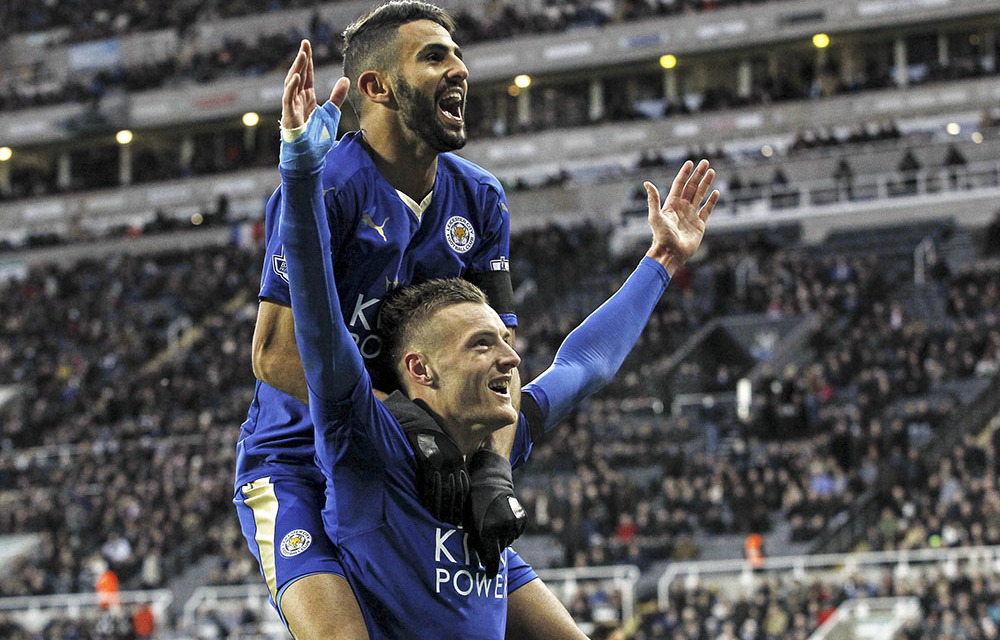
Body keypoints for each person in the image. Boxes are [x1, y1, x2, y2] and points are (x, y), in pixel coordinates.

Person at [278, 74, 718, 638]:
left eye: (504, 342)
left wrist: (661, 261)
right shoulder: (365, 442)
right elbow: (314, 315)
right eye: (482, 346)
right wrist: (300, 176)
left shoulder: (492, 445)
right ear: (419, 369)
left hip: (480, 552)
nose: (509, 360)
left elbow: (585, 366)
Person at [236, 3, 546, 637]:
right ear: (376, 86)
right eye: (434, 56)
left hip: (422, 472)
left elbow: (503, 361)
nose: (459, 68)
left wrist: (490, 468)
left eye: (458, 54)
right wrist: (399, 419)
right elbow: (272, 353)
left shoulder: (481, 199)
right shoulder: (327, 189)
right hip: (297, 464)